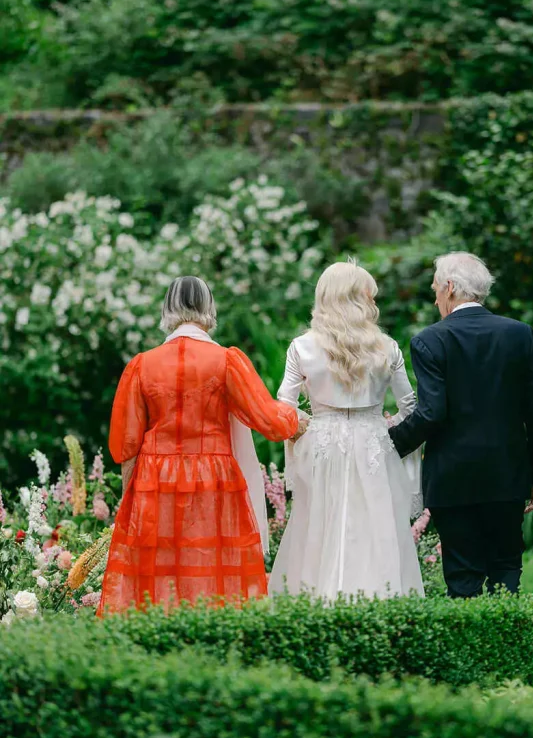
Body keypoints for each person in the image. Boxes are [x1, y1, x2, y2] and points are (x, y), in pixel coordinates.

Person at [97, 275, 302, 615]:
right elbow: (267, 419)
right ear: (209, 309)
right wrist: (297, 420)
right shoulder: (226, 360)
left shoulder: (141, 365)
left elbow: (127, 445)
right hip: (213, 477)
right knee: (211, 565)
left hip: (154, 477)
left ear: (167, 310)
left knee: (158, 568)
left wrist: (129, 501)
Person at [389, 252, 533, 599]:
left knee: (462, 581)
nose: (435, 299)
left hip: (453, 479)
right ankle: (509, 648)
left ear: (449, 287)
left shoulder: (429, 341)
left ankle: (471, 650)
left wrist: (389, 442)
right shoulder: (520, 334)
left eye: (435, 289)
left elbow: (431, 412)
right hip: (508, 477)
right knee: (506, 572)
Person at [269, 261, 424, 600]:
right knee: (375, 527)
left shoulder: (302, 347)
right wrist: (388, 434)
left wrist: (305, 431)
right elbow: (410, 407)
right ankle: (379, 600)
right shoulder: (387, 347)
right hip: (373, 445)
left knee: (319, 528)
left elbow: (284, 406)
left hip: (322, 447)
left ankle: (316, 602)